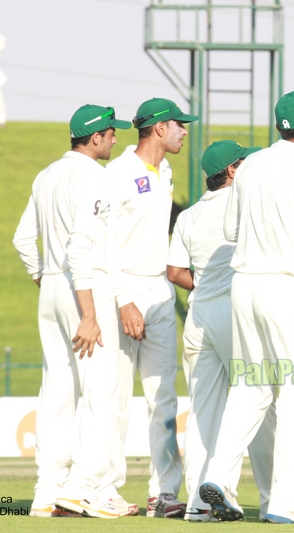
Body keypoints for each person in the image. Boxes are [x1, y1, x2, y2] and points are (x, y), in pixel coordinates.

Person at [198, 91, 294, 524]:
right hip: (287, 287)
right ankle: (288, 504)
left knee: (251, 388)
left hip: (244, 285)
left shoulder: (252, 166)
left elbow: (230, 228)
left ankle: (219, 479)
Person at [12, 104, 130, 518]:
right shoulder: (94, 178)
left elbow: (24, 238)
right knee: (101, 391)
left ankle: (47, 492)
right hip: (85, 286)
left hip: (53, 286)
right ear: (95, 137)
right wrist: (88, 313)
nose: (116, 138)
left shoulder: (47, 175)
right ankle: (81, 489)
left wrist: (45, 280)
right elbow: (81, 249)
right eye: (112, 132)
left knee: (57, 392)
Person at [166, 140, 276, 522]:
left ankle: (198, 506)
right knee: (257, 400)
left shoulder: (189, 215)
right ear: (231, 171)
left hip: (198, 319)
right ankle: (269, 499)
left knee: (202, 413)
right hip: (234, 314)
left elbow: (174, 271)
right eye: (242, 161)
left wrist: (204, 281)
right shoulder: (245, 203)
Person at [102, 98, 198, 518]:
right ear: (159, 128)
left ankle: (165, 492)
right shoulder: (117, 173)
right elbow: (104, 246)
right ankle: (104, 488)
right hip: (124, 292)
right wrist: (124, 300)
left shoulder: (167, 171)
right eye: (180, 125)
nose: (185, 132)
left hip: (159, 291)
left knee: (164, 399)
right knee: (116, 398)